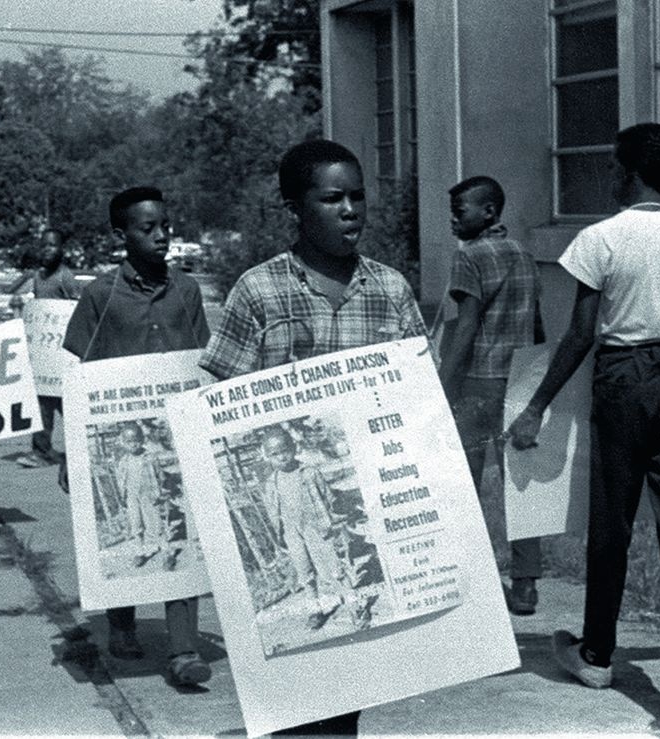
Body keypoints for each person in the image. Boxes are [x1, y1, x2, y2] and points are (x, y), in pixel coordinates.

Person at [506, 123, 660, 727]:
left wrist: (536, 405)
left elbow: (581, 334)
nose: (609, 176)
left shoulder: (600, 238)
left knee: (611, 521)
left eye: (612, 166)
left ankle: (598, 653)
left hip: (621, 378)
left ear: (626, 172)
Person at [200, 139, 427, 736]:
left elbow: (417, 397)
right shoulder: (258, 291)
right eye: (332, 199)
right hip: (289, 492)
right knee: (301, 691)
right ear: (294, 209)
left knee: (356, 677)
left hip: (371, 494)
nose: (350, 210)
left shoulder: (390, 290)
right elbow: (218, 402)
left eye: (358, 197)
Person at [62, 186, 212, 686]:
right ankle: (122, 623)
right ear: (120, 235)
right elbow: (78, 373)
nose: (161, 236)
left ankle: (183, 649)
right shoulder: (100, 295)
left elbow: (201, 361)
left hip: (177, 434)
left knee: (180, 528)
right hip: (122, 437)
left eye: (165, 226)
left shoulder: (186, 290)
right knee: (129, 527)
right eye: (148, 228)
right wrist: (69, 449)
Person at [439, 175, 544, 615]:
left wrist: (443, 384)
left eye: (459, 211)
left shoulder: (469, 257)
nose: (452, 220)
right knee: (519, 483)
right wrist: (540, 378)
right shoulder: (524, 253)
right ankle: (526, 585)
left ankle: (471, 580)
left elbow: (466, 327)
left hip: (479, 381)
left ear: (488, 212)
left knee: (464, 481)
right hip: (520, 379)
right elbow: (536, 320)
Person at [260, 427, 356, 630]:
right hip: (292, 533)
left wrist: (331, 522)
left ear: (293, 448)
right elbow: (272, 511)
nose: (282, 457)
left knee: (332, 567)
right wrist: (282, 536)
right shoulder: (271, 483)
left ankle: (354, 604)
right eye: (275, 454)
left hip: (315, 527)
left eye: (285, 451)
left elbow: (328, 498)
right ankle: (315, 609)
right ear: (268, 457)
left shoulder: (309, 473)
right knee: (304, 572)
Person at [11, 229, 80, 469]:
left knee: (68, 405)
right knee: (41, 405)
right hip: (43, 357)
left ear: (61, 249)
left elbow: (76, 309)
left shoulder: (65, 277)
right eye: (44, 246)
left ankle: (82, 448)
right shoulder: (39, 277)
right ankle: (41, 451)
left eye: (52, 245)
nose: (47, 250)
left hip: (62, 356)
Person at [114, 423, 173, 569]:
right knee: (136, 526)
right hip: (132, 497)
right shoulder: (124, 461)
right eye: (129, 442)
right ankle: (139, 552)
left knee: (156, 525)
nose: (133, 445)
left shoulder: (150, 458)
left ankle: (167, 553)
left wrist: (161, 493)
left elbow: (160, 476)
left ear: (142, 440)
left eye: (136, 441)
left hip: (149, 496)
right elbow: (121, 481)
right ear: (124, 443)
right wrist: (123, 497)